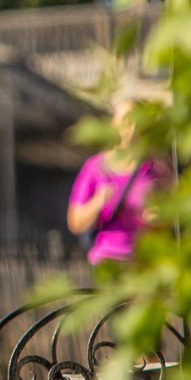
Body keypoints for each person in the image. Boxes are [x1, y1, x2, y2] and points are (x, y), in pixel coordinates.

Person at [66, 96, 166, 270]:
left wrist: (160, 218)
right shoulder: (97, 167)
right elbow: (75, 222)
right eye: (125, 121)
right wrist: (98, 201)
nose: (131, 127)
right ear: (114, 124)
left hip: (146, 263)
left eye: (135, 121)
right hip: (108, 261)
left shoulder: (155, 167)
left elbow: (177, 213)